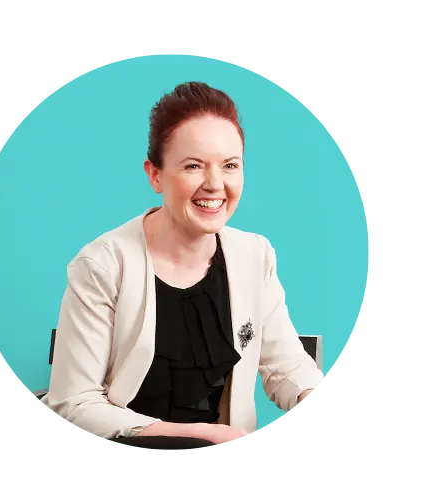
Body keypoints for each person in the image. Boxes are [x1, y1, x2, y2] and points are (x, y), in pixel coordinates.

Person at [40, 81, 324, 448]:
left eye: (230, 165)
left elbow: (286, 367)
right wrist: (192, 435)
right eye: (193, 166)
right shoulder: (101, 265)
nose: (215, 184)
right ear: (155, 175)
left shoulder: (255, 255)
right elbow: (74, 401)